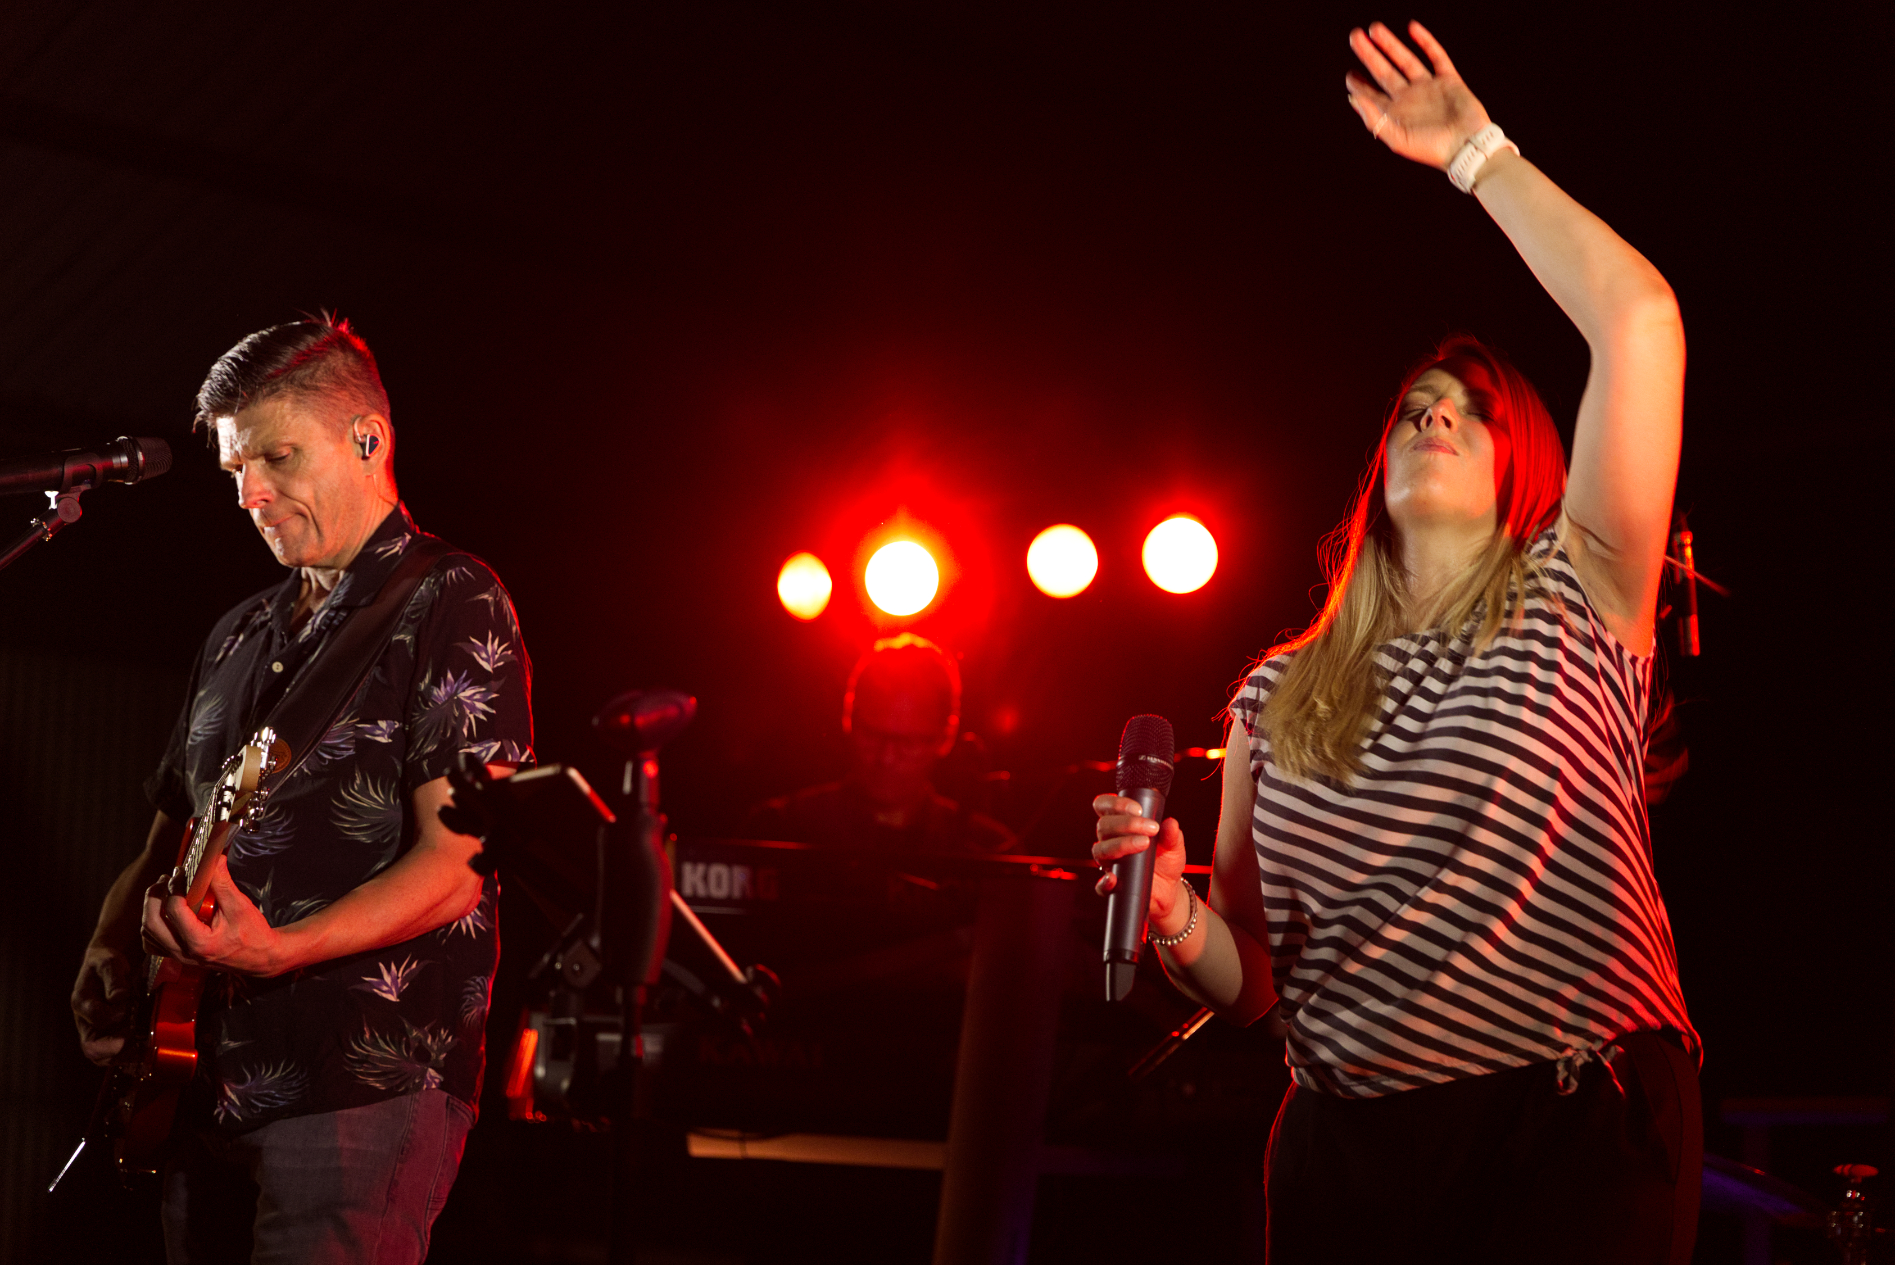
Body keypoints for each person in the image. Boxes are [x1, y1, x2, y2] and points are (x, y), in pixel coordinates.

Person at [1092, 22, 1699, 1263]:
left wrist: (1470, 153)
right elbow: (1254, 976)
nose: (1438, 415)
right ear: (1375, 470)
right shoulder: (1273, 691)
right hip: (1347, 1143)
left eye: (1473, 412)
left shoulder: (1572, 589)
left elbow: (1638, 320)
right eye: (1418, 405)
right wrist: (1167, 915)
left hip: (1562, 1115)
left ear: (1522, 470)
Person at [69, 316, 533, 1264]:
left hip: (355, 1075)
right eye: (239, 467)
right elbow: (172, 830)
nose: (252, 493)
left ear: (369, 438)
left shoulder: (451, 599)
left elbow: (456, 865)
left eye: (278, 456)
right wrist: (112, 937)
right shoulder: (237, 634)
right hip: (194, 1081)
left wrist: (282, 950)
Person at [746, 633, 1013, 856]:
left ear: (946, 738)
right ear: (848, 720)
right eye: (872, 735)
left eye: (908, 742)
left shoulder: (989, 850)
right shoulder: (779, 829)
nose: (886, 758)